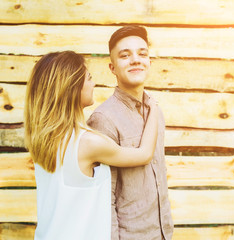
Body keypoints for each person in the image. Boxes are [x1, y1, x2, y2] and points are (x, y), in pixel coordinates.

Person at [24, 50, 159, 240]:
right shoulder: (88, 143)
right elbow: (144, 154)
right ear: (72, 87)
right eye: (89, 78)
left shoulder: (42, 139)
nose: (93, 83)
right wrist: (153, 108)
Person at [87, 25, 174, 239]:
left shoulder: (155, 110)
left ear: (149, 62)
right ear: (112, 67)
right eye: (125, 55)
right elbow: (104, 196)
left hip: (162, 232)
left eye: (142, 54)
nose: (135, 60)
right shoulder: (103, 119)